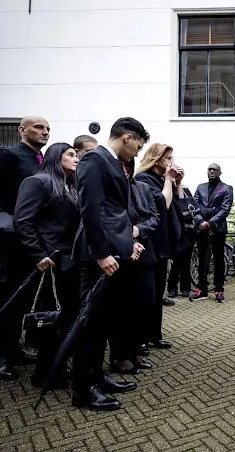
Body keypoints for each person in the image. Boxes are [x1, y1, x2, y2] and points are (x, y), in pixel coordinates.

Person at [71, 117, 149, 411]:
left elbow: (115, 213)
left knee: (103, 321)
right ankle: (83, 390)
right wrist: (101, 253)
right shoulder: (94, 159)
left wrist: (128, 244)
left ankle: (97, 376)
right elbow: (91, 209)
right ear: (128, 137)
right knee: (89, 323)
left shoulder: (114, 162)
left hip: (113, 254)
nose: (138, 153)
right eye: (138, 147)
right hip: (97, 258)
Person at [0, 116, 49, 380]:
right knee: (6, 299)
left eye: (47, 129)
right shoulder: (8, 156)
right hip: (11, 239)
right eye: (39, 127)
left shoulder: (41, 161)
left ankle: (14, 349)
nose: (45, 132)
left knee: (23, 299)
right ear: (22, 130)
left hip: (34, 241)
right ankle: (0, 357)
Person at [13, 143, 81, 388]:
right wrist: (38, 254)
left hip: (69, 261)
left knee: (65, 318)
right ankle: (44, 374)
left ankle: (57, 367)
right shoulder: (38, 182)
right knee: (51, 319)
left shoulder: (70, 186)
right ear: (56, 157)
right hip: (51, 263)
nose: (76, 159)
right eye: (71, 155)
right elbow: (23, 220)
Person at [109, 158, 159, 375]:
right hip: (120, 255)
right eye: (121, 167)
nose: (125, 171)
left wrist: (138, 230)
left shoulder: (143, 188)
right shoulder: (110, 188)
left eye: (128, 167)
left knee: (143, 303)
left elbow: (154, 217)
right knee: (120, 308)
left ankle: (134, 350)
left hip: (143, 253)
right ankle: (120, 356)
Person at [135, 144, 187, 348]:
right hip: (150, 243)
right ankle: (140, 338)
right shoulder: (143, 179)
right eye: (168, 159)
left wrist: (178, 183)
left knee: (157, 293)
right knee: (146, 293)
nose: (172, 163)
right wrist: (168, 179)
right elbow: (161, 204)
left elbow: (181, 205)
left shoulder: (164, 180)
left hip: (164, 243)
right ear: (156, 160)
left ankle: (154, 335)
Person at [193, 163, 233, 302]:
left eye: (214, 170)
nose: (211, 171)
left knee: (218, 260)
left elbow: (225, 209)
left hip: (218, 229)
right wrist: (201, 222)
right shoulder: (200, 187)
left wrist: (210, 223)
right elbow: (194, 206)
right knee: (202, 259)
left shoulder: (226, 188)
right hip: (202, 228)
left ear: (220, 172)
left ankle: (218, 289)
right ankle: (202, 289)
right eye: (209, 169)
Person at [167, 183, 201, 299]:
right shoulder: (167, 190)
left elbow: (191, 208)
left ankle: (185, 288)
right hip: (174, 231)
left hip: (187, 231)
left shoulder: (185, 190)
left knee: (186, 260)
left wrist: (180, 189)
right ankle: (172, 288)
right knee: (176, 261)